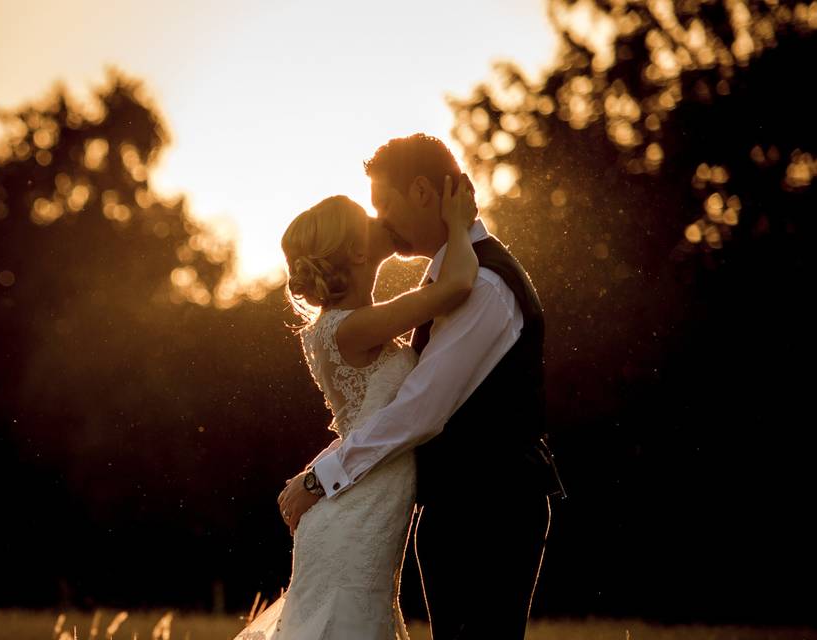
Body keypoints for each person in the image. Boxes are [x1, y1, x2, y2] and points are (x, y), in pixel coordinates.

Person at [278, 133, 567, 639]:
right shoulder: (443, 283)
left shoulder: (483, 285)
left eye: (384, 203)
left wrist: (320, 476)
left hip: (488, 511)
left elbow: (419, 410)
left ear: (421, 192)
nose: (381, 220)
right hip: (451, 513)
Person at [234, 179, 478, 639]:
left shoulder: (344, 326)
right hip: (354, 515)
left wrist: (315, 472)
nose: (379, 216)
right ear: (360, 254)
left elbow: (363, 424)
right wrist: (459, 223)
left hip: (362, 505)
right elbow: (459, 283)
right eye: (366, 219)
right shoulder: (352, 327)